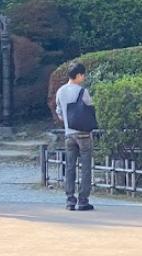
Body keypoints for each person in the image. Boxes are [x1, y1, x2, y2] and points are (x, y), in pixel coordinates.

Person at [54, 62, 94, 211]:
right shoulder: (82, 91)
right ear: (78, 75)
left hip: (68, 134)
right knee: (86, 167)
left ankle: (70, 199)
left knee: (70, 167)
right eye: (83, 75)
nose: (84, 77)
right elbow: (90, 109)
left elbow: (59, 113)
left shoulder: (60, 91)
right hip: (83, 133)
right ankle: (83, 200)